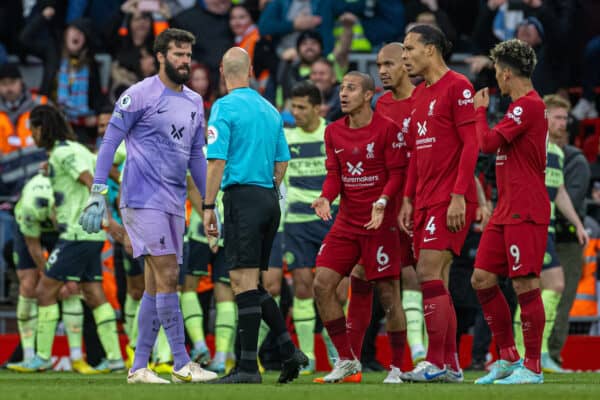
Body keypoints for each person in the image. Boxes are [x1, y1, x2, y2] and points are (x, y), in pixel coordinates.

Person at [79, 28, 217, 384]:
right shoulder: (139, 94)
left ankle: (139, 367)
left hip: (173, 202)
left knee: (157, 285)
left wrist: (208, 204)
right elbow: (111, 139)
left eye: (188, 55)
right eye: (178, 55)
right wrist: (97, 189)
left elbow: (196, 160)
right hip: (141, 199)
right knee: (170, 275)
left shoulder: (193, 101)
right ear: (160, 56)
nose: (185, 61)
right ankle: (183, 362)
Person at [203, 46, 307, 384]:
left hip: (242, 198)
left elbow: (216, 160)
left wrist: (207, 206)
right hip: (268, 198)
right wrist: (267, 188)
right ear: (249, 71)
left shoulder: (224, 107)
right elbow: (283, 161)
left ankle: (248, 368)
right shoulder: (270, 109)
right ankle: (289, 350)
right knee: (252, 283)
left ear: (222, 70)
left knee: (241, 283)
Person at [311, 71, 408, 383]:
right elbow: (334, 176)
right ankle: (347, 359)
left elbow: (397, 175)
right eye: (341, 88)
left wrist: (382, 202)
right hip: (347, 222)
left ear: (368, 95)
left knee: (389, 295)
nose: (343, 94)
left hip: (379, 222)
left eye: (351, 88)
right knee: (322, 284)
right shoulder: (333, 132)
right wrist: (326, 197)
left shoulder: (388, 130)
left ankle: (396, 366)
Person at [12, 105, 124, 373]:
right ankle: (116, 358)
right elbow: (105, 170)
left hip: (77, 233)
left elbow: (90, 181)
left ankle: (41, 357)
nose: (32, 137)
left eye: (33, 131)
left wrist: (108, 219)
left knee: (44, 291)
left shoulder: (63, 153)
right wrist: (126, 183)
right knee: (94, 294)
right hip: (90, 234)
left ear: (41, 129)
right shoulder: (77, 150)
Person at [398, 24, 478, 383]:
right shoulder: (418, 95)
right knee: (438, 281)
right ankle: (451, 365)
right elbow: (415, 154)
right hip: (425, 200)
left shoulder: (459, 86)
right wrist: (407, 199)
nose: (404, 58)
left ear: (430, 49)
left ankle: (435, 361)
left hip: (450, 198)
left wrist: (460, 195)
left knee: (428, 273)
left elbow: (471, 145)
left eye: (409, 49)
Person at [470, 38, 550, 385]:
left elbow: (486, 144)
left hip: (526, 208)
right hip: (506, 208)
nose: (496, 81)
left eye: (497, 74)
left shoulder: (527, 106)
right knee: (482, 279)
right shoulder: (519, 109)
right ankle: (506, 356)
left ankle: (532, 366)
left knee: (525, 284)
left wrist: (477, 111)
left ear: (505, 74)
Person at [513, 94, 589, 374]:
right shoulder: (529, 147)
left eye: (565, 118)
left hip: (547, 229)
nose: (563, 123)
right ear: (543, 118)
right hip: (529, 226)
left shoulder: (557, 153)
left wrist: (578, 225)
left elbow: (558, 192)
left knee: (537, 288)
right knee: (548, 286)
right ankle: (533, 351)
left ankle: (529, 352)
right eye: (557, 117)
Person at [5, 172, 98, 374]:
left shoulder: (77, 205)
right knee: (29, 286)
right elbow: (34, 247)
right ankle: (29, 357)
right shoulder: (31, 206)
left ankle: (76, 358)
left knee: (72, 287)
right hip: (29, 231)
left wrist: (66, 278)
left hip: (68, 235)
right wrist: (53, 277)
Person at [375, 42, 426, 366]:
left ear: (405, 65)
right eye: (379, 65)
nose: (382, 70)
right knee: (392, 277)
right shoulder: (380, 104)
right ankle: (411, 351)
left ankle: (424, 350)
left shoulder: (424, 100)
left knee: (422, 274)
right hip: (389, 202)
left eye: (389, 64)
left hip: (423, 198)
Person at [0, 63, 49, 155]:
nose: (9, 88)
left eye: (12, 82)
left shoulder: (41, 105)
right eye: (3, 84)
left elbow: (58, 135)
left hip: (39, 163)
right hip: (7, 166)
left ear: (21, 82)